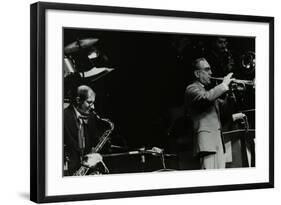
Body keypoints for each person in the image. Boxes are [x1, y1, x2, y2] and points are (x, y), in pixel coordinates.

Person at [184, 58, 234, 169]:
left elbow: (224, 110)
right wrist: (223, 85)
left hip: (218, 143)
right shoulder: (191, 89)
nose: (210, 73)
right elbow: (206, 98)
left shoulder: (209, 93)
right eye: (207, 70)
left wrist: (230, 95)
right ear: (197, 73)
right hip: (206, 144)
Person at [64, 85, 106, 176]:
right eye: (89, 102)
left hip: (85, 171)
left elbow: (94, 142)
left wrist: (96, 156)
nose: (93, 107)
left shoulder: (91, 117)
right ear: (78, 100)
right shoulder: (62, 117)